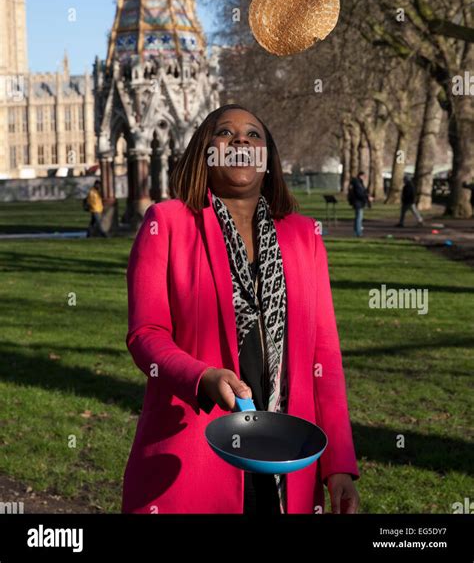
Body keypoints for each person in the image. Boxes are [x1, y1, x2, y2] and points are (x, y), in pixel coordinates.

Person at [122, 104, 360, 514]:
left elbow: (325, 358)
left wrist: (338, 466)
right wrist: (202, 376)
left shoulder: (305, 237)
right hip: (198, 454)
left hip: (289, 456)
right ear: (205, 152)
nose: (241, 141)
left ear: (268, 159)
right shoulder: (168, 223)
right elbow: (146, 334)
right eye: (225, 132)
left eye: (254, 135)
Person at [348, 171, 371, 237]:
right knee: (359, 218)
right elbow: (360, 193)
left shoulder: (356, 182)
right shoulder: (358, 183)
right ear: (361, 176)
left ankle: (356, 231)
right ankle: (358, 232)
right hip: (358, 202)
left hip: (357, 202)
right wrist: (367, 197)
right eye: (364, 176)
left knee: (357, 217)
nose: (365, 178)